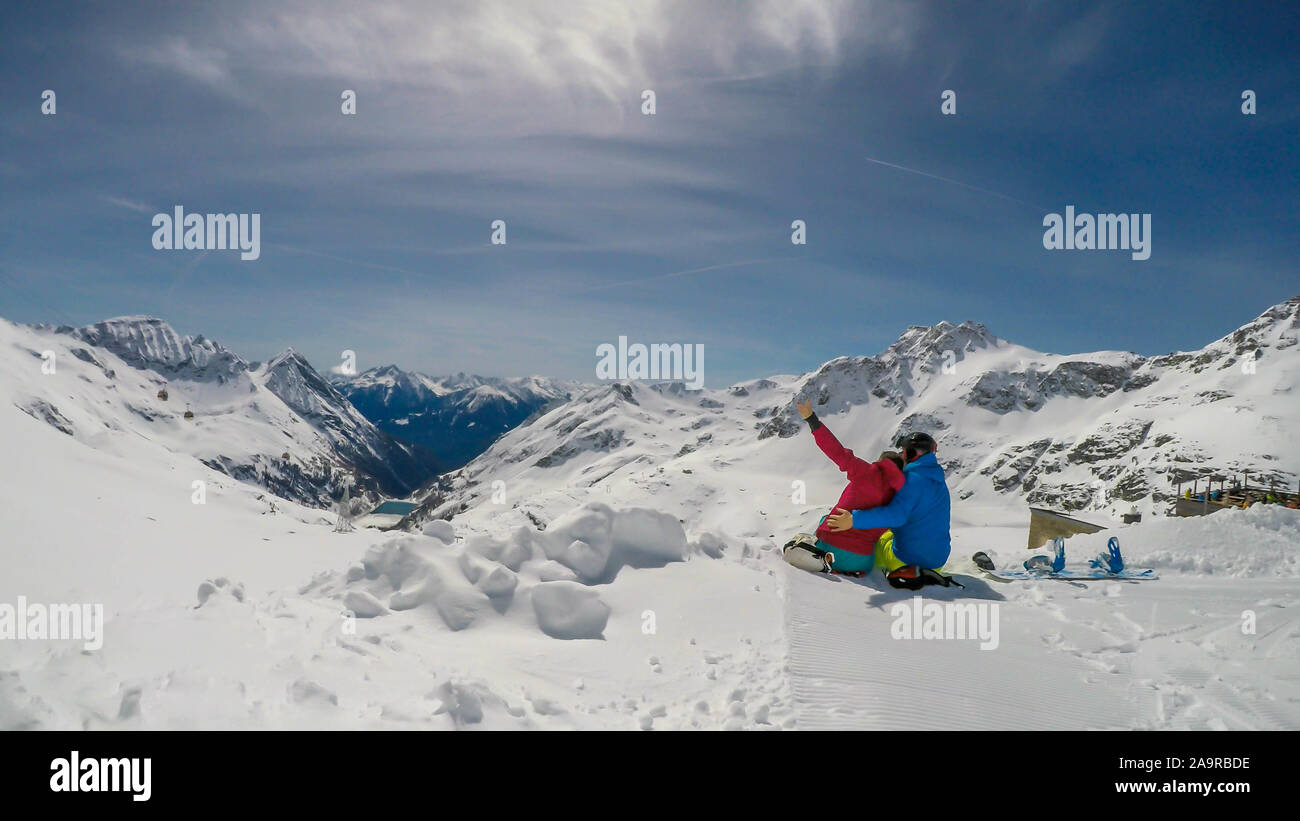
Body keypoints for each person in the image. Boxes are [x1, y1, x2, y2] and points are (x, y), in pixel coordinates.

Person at [787, 400, 904, 574]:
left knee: (826, 520)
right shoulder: (900, 495)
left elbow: (836, 451)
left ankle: (820, 557)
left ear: (879, 462)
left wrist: (812, 419)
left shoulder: (865, 471)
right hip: (861, 560)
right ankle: (846, 567)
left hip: (830, 546)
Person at [825, 430, 952, 580]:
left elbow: (895, 516)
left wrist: (854, 519)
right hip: (938, 561)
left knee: (874, 541)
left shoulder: (911, 480)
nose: (902, 456)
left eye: (904, 452)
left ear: (911, 454)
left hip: (906, 561)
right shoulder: (938, 481)